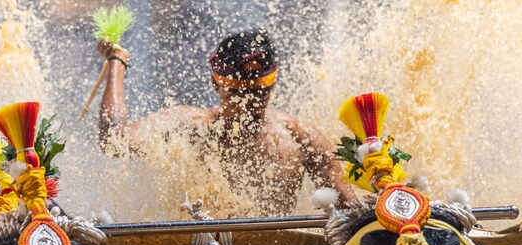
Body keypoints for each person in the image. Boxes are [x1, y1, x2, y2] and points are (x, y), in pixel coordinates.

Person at [96, 29, 356, 214]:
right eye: (237, 93)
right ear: (215, 84)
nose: (248, 102)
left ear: (273, 85)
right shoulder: (189, 127)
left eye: (258, 92)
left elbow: (349, 211)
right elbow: (113, 140)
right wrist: (117, 62)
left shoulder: (301, 138)